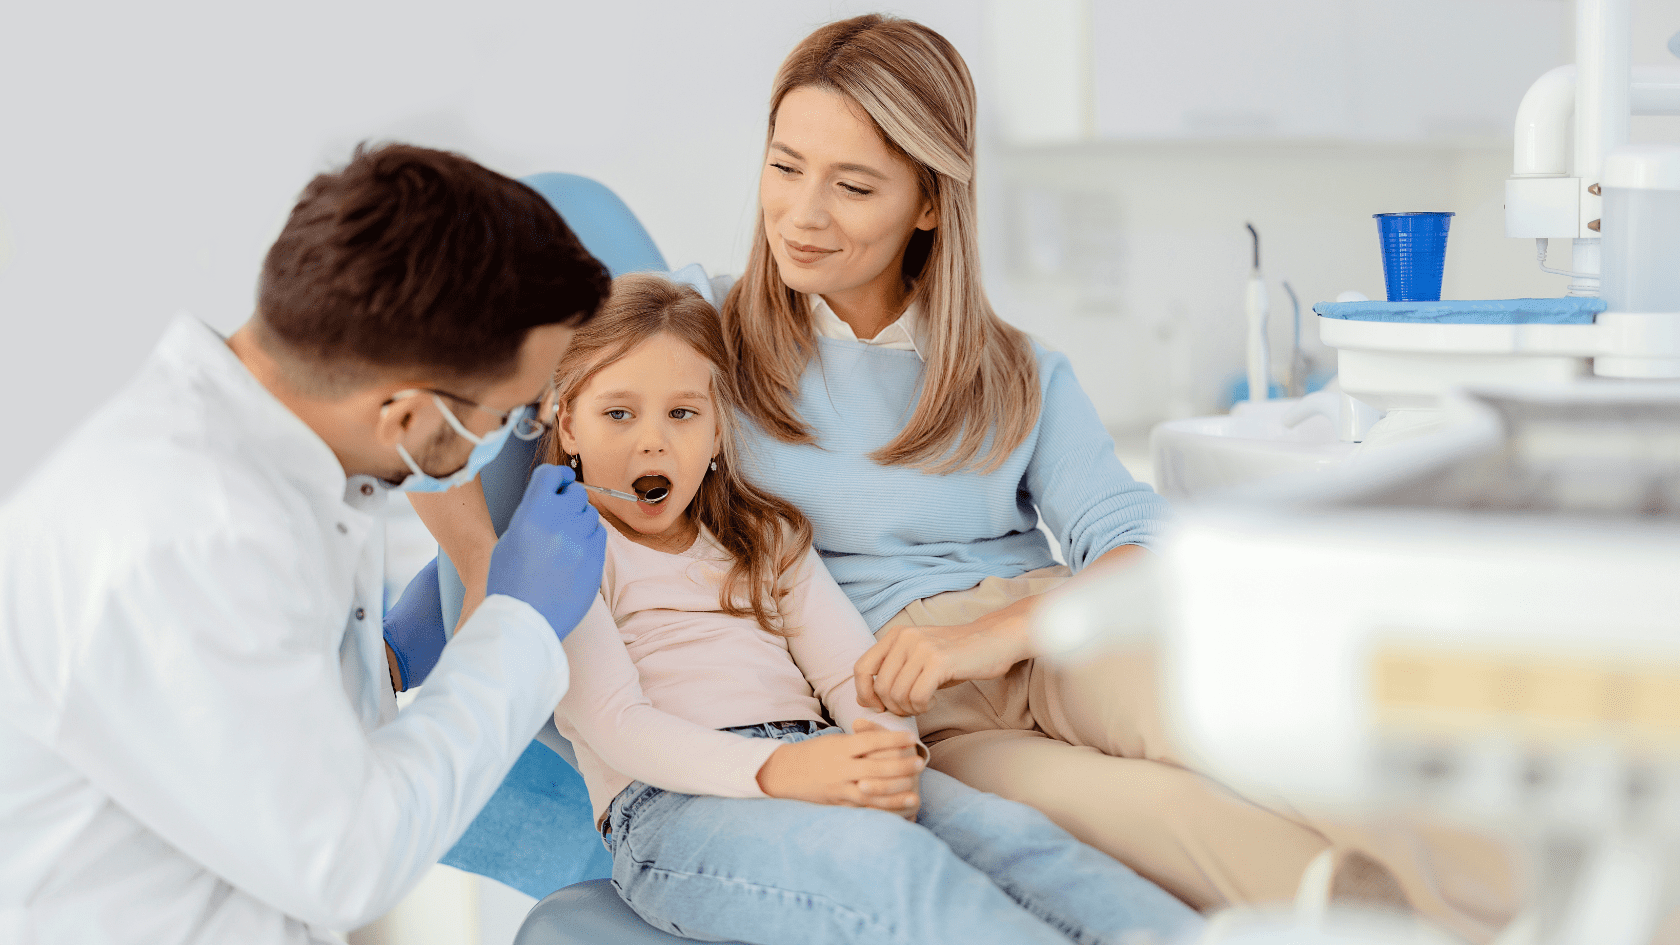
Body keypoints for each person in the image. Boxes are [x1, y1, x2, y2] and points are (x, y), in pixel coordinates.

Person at [715, 14, 1516, 941]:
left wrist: (989, 637)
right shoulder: (702, 342)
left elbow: (1141, 542)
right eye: (784, 167)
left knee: (1281, 731)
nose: (803, 214)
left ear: (930, 203)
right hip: (915, 710)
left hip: (1052, 629)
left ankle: (1586, 906)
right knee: (1189, 832)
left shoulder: (1013, 369)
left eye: (852, 185)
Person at [0, 143, 614, 945]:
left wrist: (381, 664)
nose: (518, 433)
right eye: (511, 413)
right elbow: (347, 859)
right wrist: (516, 624)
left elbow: (253, 727)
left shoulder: (284, 456)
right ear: (402, 413)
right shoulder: (188, 537)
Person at [534, 272, 1203, 945]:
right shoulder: (565, 553)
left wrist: (885, 750)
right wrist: (778, 770)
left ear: (716, 435)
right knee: (892, 868)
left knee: (1017, 836)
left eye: (682, 413)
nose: (652, 442)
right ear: (568, 423)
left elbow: (849, 671)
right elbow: (617, 724)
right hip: (669, 808)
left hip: (817, 755)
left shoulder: (766, 538)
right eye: (618, 413)